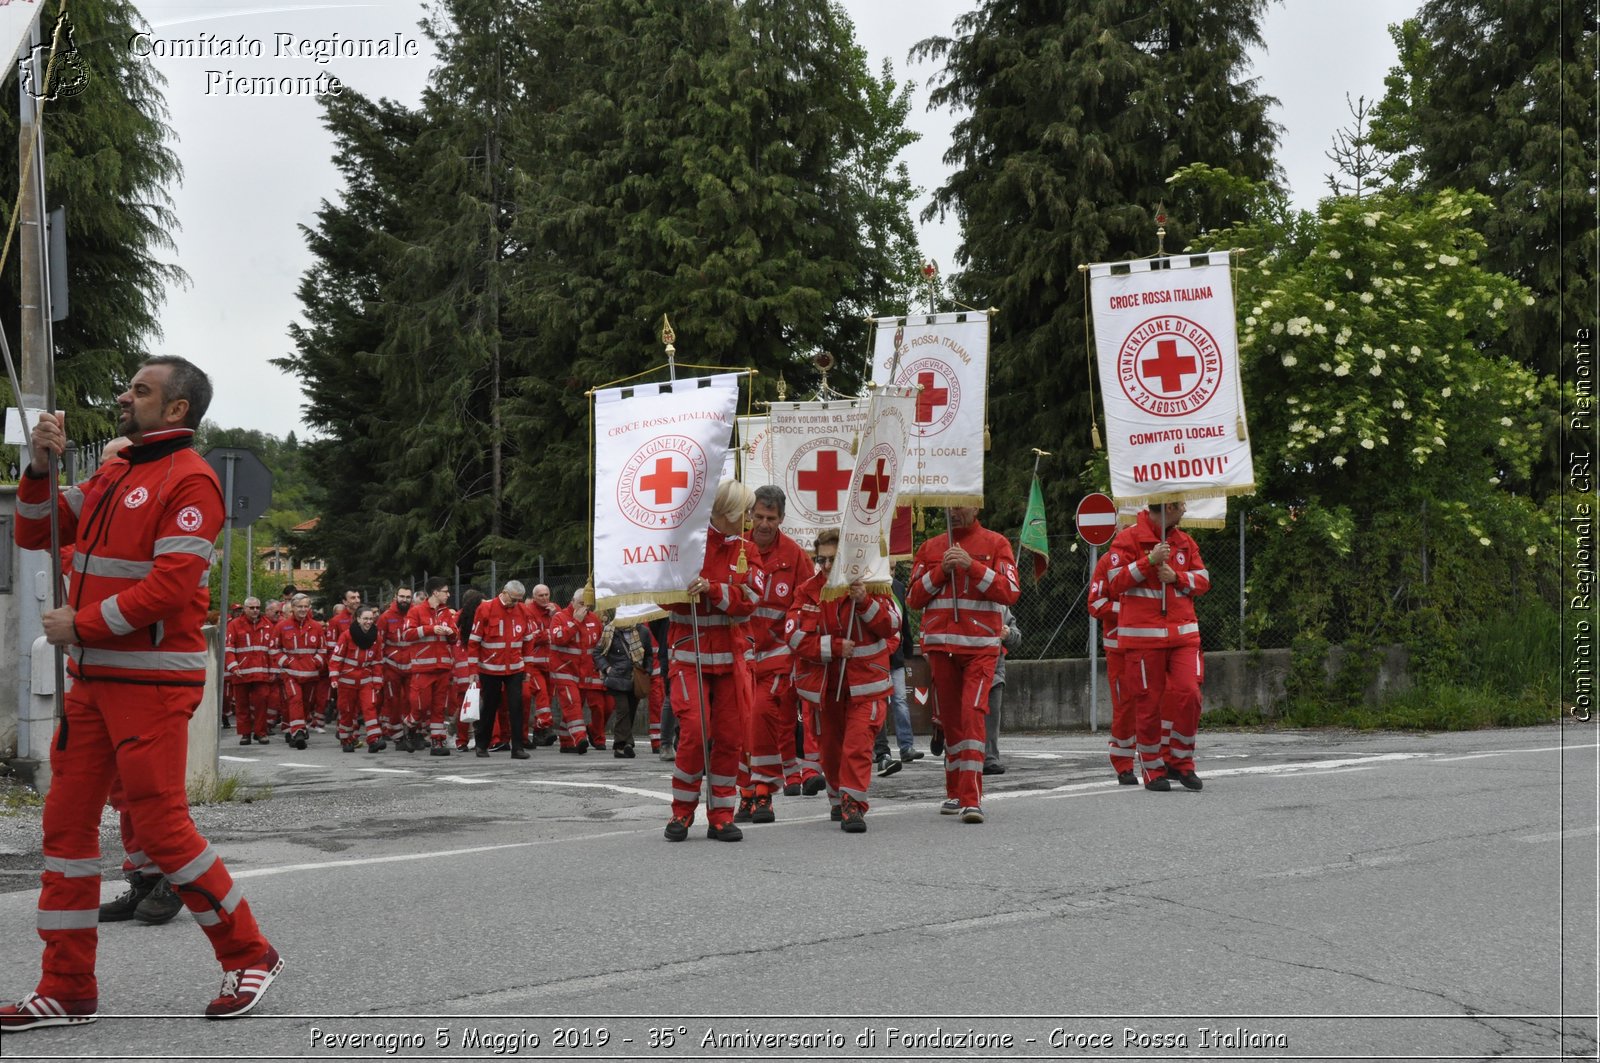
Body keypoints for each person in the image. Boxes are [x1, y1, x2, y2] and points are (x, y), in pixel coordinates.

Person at [4, 356, 282, 1029]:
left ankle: (251, 953)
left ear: (177, 409)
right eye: (129, 385)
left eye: (141, 389)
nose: (124, 396)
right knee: (65, 830)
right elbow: (36, 529)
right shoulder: (115, 468)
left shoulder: (193, 481)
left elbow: (171, 585)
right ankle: (66, 985)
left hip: (153, 683)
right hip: (94, 683)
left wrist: (83, 622)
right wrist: (40, 467)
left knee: (159, 826)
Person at [662, 480, 765, 842]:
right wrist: (686, 588)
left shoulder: (747, 550)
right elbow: (662, 593)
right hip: (690, 657)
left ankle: (721, 814)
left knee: (730, 737)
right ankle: (681, 813)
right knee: (694, 731)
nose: (751, 518)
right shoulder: (688, 543)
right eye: (747, 512)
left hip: (733, 659)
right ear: (728, 513)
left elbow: (752, 597)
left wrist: (714, 590)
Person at [906, 506, 1020, 824]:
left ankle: (972, 799)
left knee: (972, 715)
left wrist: (972, 567)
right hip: (942, 649)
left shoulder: (997, 544)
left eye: (961, 505)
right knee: (953, 723)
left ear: (977, 505)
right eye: (950, 506)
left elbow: (1010, 591)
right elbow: (913, 598)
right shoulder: (930, 548)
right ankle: (955, 792)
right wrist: (940, 571)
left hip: (981, 650)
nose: (954, 512)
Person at [788, 529, 900, 833]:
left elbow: (892, 625)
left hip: (866, 684)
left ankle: (854, 803)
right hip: (826, 686)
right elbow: (794, 635)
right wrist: (832, 648)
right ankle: (837, 797)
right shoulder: (807, 590)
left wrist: (864, 601)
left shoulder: (873, 584)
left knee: (857, 744)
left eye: (832, 559)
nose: (825, 566)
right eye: (820, 559)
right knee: (832, 748)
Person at [1104, 499, 1210, 792]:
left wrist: (1177, 577)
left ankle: (1180, 761)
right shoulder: (1127, 539)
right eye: (1181, 506)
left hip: (1184, 636)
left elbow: (1203, 580)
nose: (1186, 511)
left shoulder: (1185, 542)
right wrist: (1147, 562)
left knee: (1190, 695)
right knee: (1148, 706)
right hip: (1142, 639)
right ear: (1168, 508)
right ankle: (1153, 770)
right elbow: (1114, 582)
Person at [737, 485, 814, 822]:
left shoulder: (796, 556)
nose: (764, 524)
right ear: (750, 515)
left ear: (782, 518)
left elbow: (808, 602)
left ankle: (764, 793)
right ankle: (745, 794)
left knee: (760, 716)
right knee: (738, 727)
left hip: (777, 655)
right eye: (759, 516)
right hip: (739, 651)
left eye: (771, 518)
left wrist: (789, 633)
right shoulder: (738, 546)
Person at [1088, 548, 1136, 784]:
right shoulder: (1108, 561)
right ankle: (1123, 762)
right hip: (1119, 647)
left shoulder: (1157, 554)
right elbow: (1096, 604)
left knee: (1160, 702)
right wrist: (1131, 609)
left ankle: (1158, 760)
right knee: (1125, 705)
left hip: (1155, 643)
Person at [468, 581, 532, 759]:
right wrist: (473, 669)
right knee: (489, 707)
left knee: (517, 706)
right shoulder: (486, 609)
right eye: (513, 599)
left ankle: (517, 748)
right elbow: (474, 642)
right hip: (490, 668)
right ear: (504, 593)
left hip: (515, 668)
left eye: (519, 600)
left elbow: (528, 641)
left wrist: (528, 668)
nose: (516, 603)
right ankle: (482, 745)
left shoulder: (523, 611)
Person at [873, 573, 924, 776]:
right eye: (889, 566)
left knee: (900, 701)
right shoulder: (872, 586)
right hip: (877, 657)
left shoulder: (898, 587)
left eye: (894, 567)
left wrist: (908, 649)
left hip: (896, 657)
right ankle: (881, 750)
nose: (892, 571)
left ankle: (906, 747)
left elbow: (902, 623)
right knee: (878, 705)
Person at [401, 577, 457, 755]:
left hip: (443, 668)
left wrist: (451, 633)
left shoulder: (446, 612)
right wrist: (430, 629)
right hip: (423, 669)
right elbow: (406, 635)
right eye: (445, 591)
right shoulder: (416, 611)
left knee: (439, 707)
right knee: (420, 706)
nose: (448, 595)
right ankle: (409, 727)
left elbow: (455, 637)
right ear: (435, 592)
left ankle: (437, 742)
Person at [547, 589, 600, 753]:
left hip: (584, 673)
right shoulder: (559, 617)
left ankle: (566, 741)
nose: (585, 608)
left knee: (574, 707)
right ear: (572, 601)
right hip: (563, 671)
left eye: (588, 605)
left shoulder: (594, 619)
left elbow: (597, 645)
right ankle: (580, 737)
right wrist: (575, 622)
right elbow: (558, 638)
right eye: (581, 604)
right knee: (573, 704)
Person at [329, 604, 387, 752]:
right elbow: (336, 658)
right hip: (347, 681)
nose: (369, 622)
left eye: (371, 619)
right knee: (347, 711)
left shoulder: (376, 637)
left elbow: (377, 662)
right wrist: (334, 678)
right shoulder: (347, 636)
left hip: (366, 680)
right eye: (365, 619)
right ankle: (346, 738)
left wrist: (377, 681)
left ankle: (374, 739)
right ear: (358, 619)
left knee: (370, 707)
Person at [594, 613, 651, 758]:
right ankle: (622, 744)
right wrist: (607, 668)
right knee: (623, 709)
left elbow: (648, 654)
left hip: (635, 678)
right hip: (616, 678)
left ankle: (624, 743)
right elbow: (597, 653)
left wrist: (647, 671)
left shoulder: (642, 631)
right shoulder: (610, 630)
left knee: (631, 710)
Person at [225, 598, 275, 744]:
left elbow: (272, 649)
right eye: (252, 608)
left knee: (262, 702)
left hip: (261, 672)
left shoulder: (267, 625)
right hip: (241, 672)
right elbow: (229, 648)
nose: (255, 610)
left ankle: (260, 732)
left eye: (257, 608)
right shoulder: (234, 625)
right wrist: (234, 667)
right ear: (245, 609)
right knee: (242, 705)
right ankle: (245, 734)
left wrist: (272, 670)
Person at [982, 607, 1022, 775]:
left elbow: (1017, 637)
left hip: (994, 670)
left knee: (992, 712)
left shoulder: (1000, 606)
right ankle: (957, 754)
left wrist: (1008, 635)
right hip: (967, 666)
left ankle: (990, 758)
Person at [522, 584, 559, 745]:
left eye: (546, 594)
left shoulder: (555, 609)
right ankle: (546, 726)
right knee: (542, 693)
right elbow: (530, 637)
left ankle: (539, 732)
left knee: (548, 698)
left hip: (551, 664)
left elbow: (560, 632)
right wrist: (548, 633)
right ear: (534, 597)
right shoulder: (528, 611)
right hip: (534, 664)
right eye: (541, 595)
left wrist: (553, 617)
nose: (545, 598)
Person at [376, 587, 414, 746]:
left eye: (407, 597)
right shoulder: (386, 617)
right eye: (402, 596)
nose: (404, 600)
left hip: (411, 666)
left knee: (410, 700)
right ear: (395, 597)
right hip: (392, 666)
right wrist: (380, 664)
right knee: (393, 701)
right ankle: (397, 735)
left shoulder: (415, 614)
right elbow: (379, 643)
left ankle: (411, 732)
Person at [647, 613, 675, 759]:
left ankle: (675, 741)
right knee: (671, 697)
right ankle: (666, 743)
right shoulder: (665, 606)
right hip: (671, 653)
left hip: (679, 651)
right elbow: (655, 624)